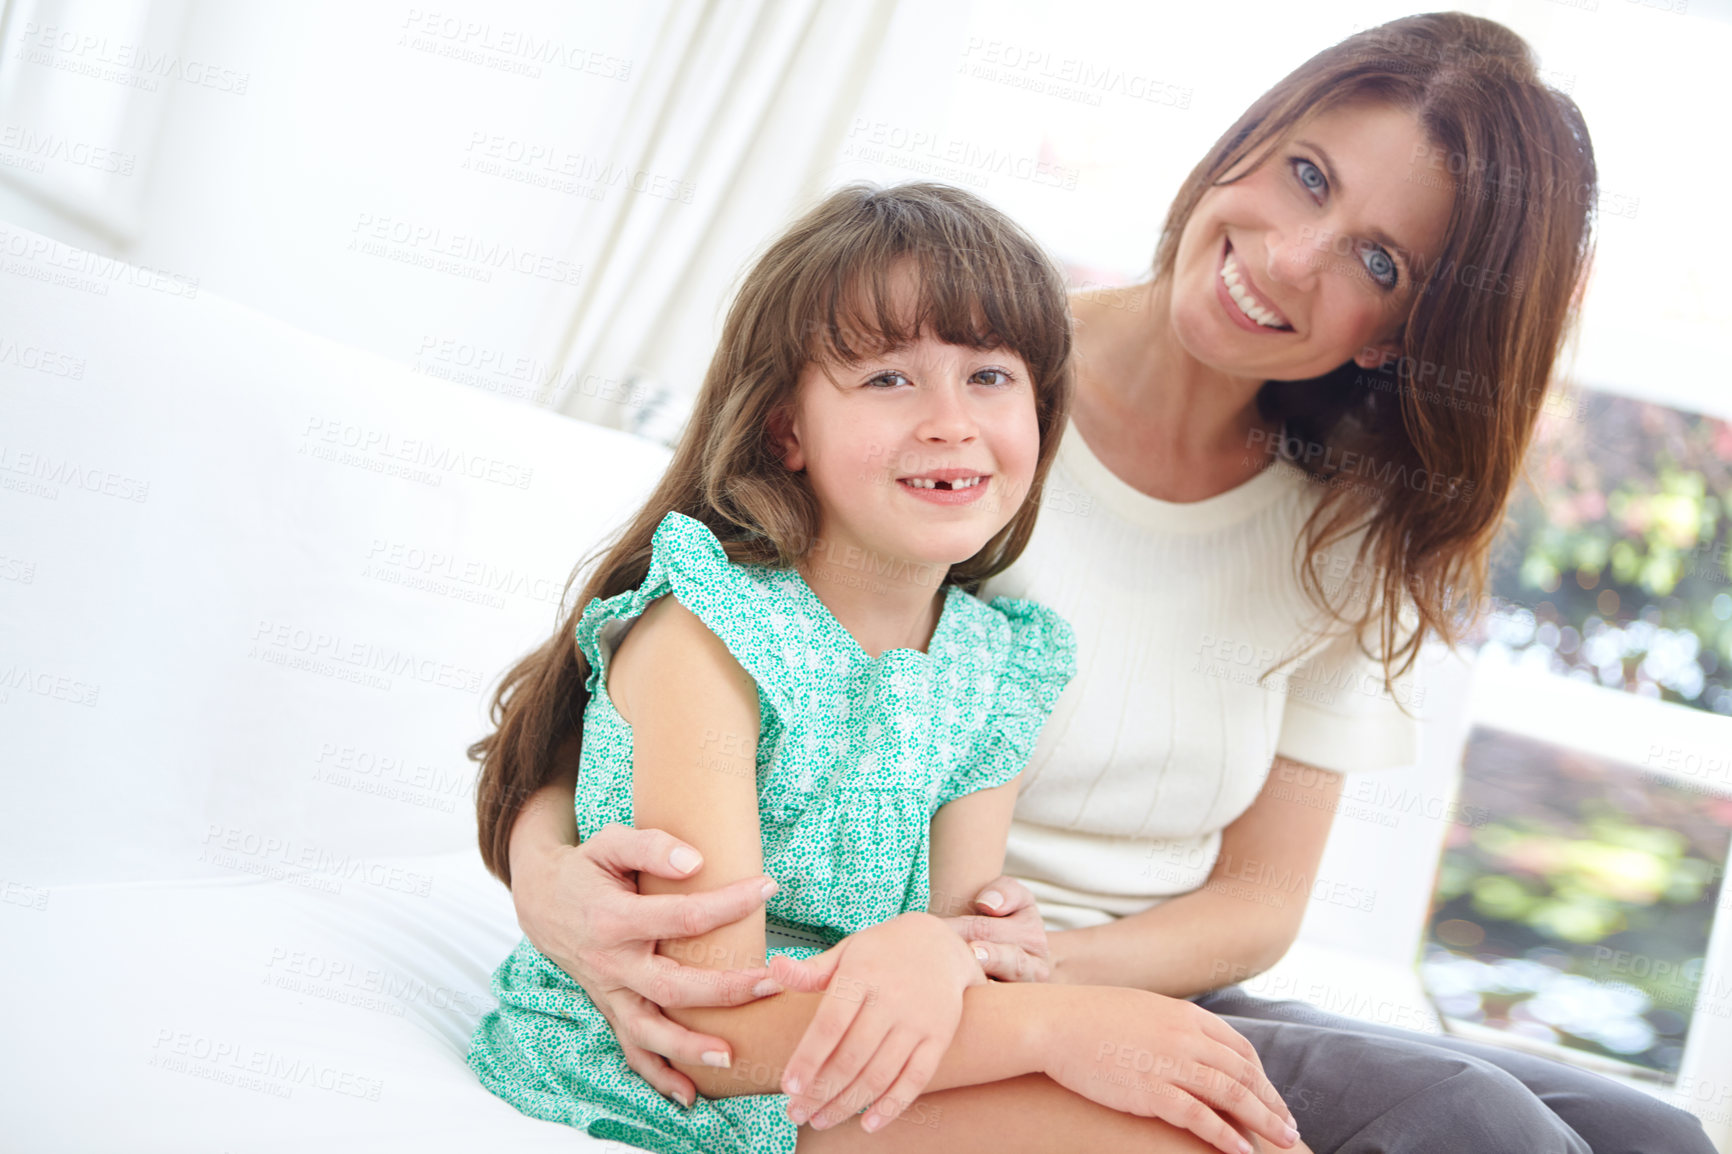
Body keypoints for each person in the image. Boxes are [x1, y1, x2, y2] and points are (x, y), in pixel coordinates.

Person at [491, 14, 1717, 1154]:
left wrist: (1024, 981)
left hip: (1067, 971)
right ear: (1248, 143)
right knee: (1470, 1123)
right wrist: (553, 887)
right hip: (888, 973)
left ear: (1404, 332)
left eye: (1378, 262)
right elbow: (637, 687)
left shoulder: (1339, 525)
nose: (1288, 259)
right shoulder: (952, 393)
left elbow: (1258, 893)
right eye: (1304, 174)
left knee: (1651, 1133)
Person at [466, 181, 1312, 1154]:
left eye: (989, 376)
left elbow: (956, 937)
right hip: (680, 1067)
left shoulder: (994, 661)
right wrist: (1062, 1023)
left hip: (856, 1043)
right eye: (887, 378)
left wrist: (950, 953)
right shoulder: (710, 636)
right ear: (786, 428)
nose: (950, 420)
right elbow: (717, 1028)